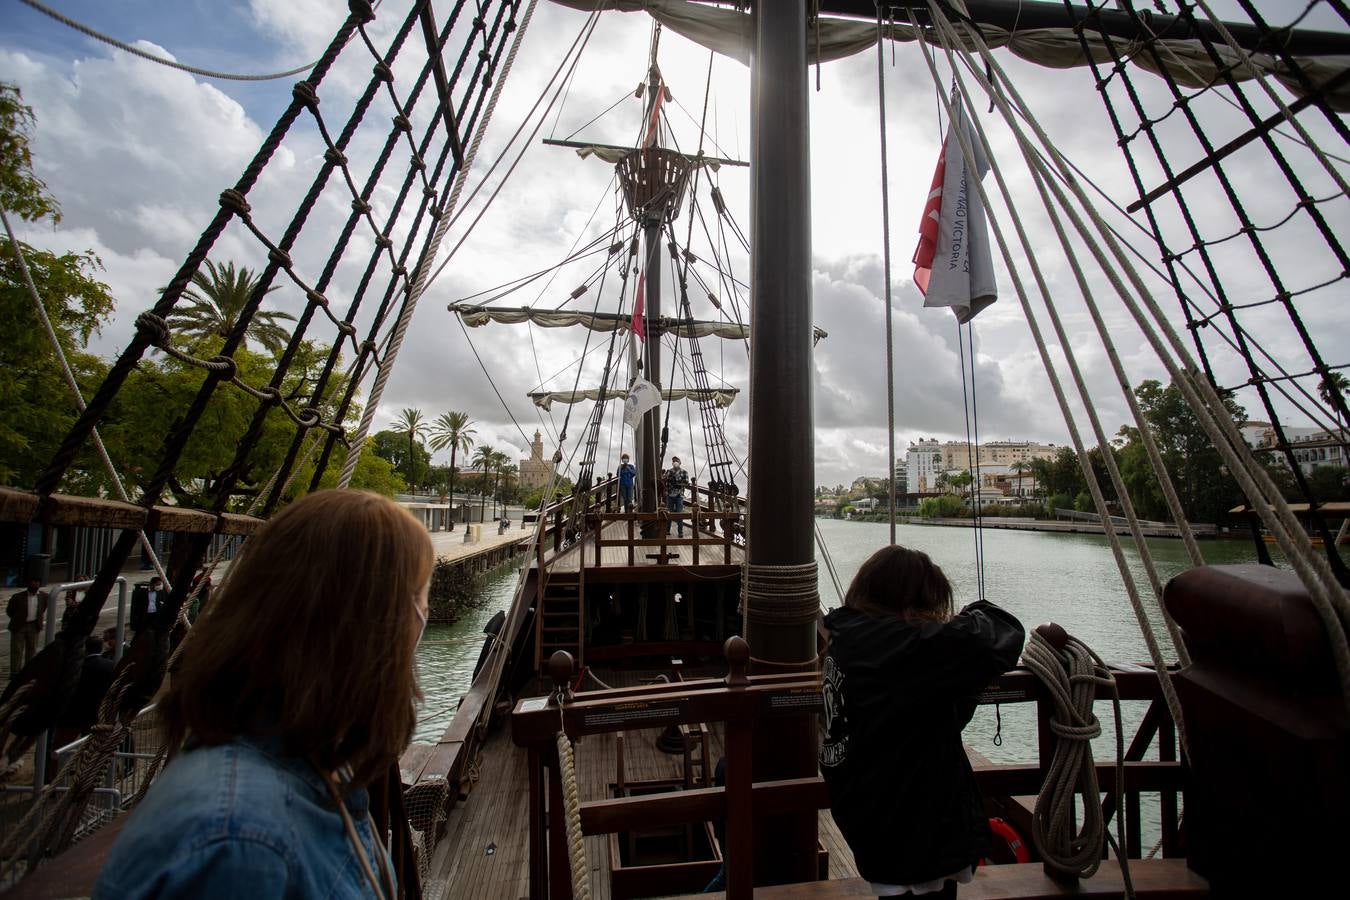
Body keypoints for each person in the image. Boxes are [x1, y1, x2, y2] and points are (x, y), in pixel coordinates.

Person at [94, 490, 433, 899]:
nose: (423, 614)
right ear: (367, 624)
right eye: (419, 595)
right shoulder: (235, 842)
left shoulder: (312, 765)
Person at [819, 545, 1024, 899]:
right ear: (913, 602)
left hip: (869, 811)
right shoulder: (907, 647)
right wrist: (972, 611)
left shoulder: (848, 637)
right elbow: (999, 633)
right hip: (915, 828)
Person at [7, 577, 48, 678]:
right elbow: (10, 611)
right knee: (17, 649)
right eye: (33, 583)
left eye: (37, 583)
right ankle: (15, 672)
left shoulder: (43, 596)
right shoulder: (17, 597)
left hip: (34, 625)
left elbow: (43, 609)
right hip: (19, 626)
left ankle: (28, 671)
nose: (35, 585)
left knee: (32, 649)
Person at [663, 456, 690, 536]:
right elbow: (665, 480)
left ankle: (680, 532)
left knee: (679, 514)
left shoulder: (684, 472)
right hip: (670, 495)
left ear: (679, 462)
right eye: (674, 461)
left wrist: (678, 483)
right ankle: (667, 530)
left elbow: (686, 482)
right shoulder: (669, 471)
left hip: (679, 495)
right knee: (669, 513)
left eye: (676, 461)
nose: (675, 462)